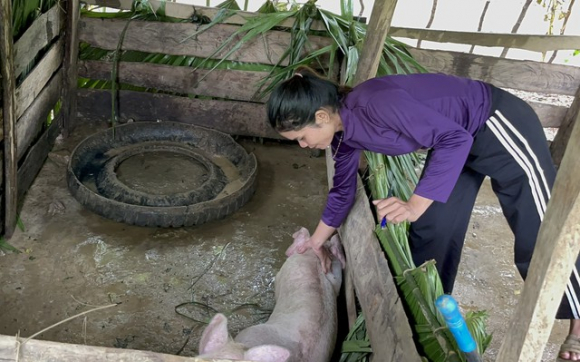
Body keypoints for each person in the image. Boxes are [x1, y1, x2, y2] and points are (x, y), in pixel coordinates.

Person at [266, 66, 580, 361]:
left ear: (321, 116)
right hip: (458, 142)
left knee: (538, 229)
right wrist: (316, 243)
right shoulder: (343, 137)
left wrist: (414, 204)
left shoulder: (376, 103)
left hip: (494, 123)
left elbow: (455, 138)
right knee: (433, 231)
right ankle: (433, 320)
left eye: (301, 138)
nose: (304, 146)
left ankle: (578, 323)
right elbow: (342, 192)